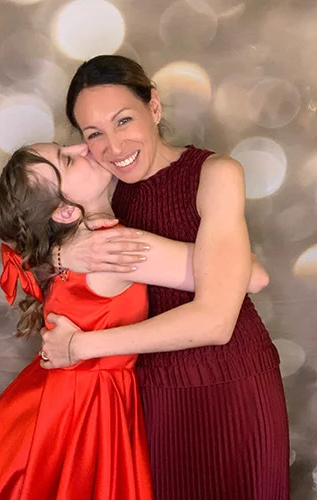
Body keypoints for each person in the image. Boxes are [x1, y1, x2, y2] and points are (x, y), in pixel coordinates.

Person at [0, 141, 268, 500]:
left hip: (45, 406)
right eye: (68, 159)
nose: (83, 146)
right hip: (81, 411)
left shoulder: (74, 246)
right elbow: (255, 277)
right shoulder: (115, 248)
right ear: (65, 212)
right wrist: (227, 242)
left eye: (65, 145)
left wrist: (57, 253)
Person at [40, 55, 290, 500]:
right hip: (147, 394)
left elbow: (216, 321)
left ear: (153, 106)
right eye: (94, 133)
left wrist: (79, 347)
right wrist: (63, 252)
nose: (114, 146)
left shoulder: (215, 174)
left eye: (123, 120)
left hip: (231, 385)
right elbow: (20, 240)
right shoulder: (99, 189)